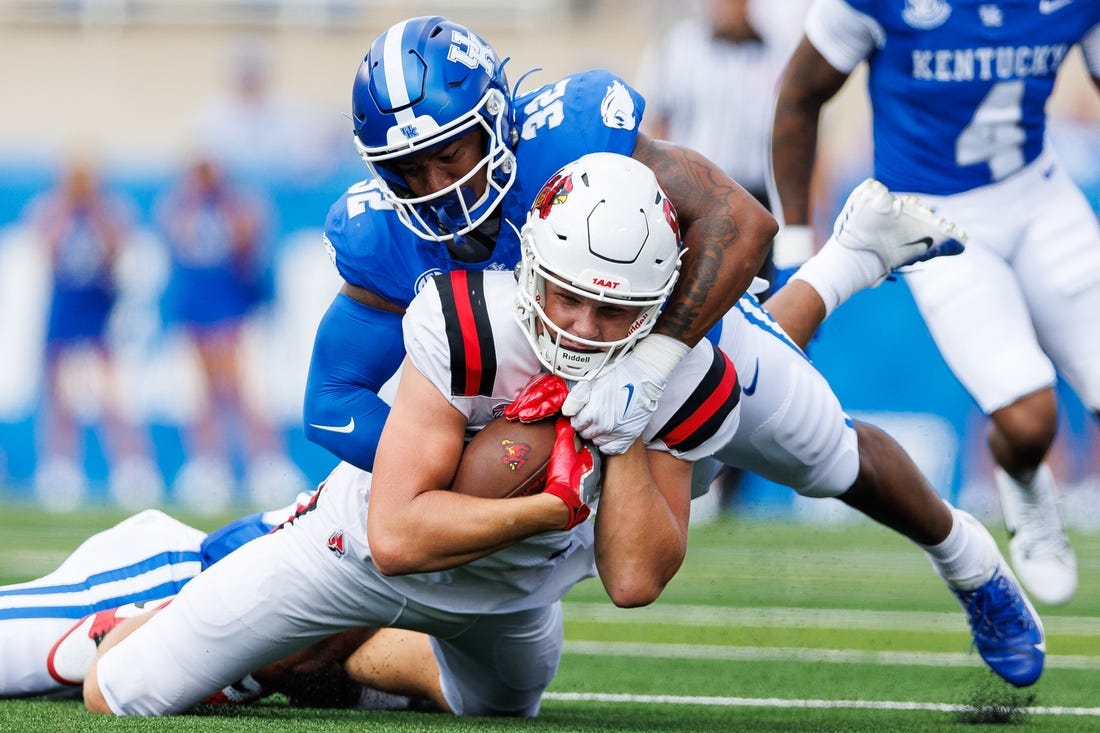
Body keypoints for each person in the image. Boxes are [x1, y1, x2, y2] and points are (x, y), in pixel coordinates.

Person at [82, 153, 745, 716]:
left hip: (512, 596)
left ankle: (299, 661)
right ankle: (163, 602)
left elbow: (633, 579)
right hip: (358, 554)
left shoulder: (686, 375)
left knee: (498, 708)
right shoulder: (466, 319)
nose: (582, 326)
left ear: (659, 304)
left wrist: (624, 432)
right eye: (566, 295)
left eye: (613, 309)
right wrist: (548, 509)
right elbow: (395, 536)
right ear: (531, 264)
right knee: (115, 690)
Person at [301, 15, 777, 473]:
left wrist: (652, 366)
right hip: (549, 432)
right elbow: (333, 399)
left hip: (682, 365)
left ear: (495, 119)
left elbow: (741, 221)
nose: (435, 186)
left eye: (449, 155)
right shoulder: (382, 234)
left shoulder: (569, 141)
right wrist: (463, 472)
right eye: (407, 168)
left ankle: (836, 270)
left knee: (828, 451)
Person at [769, 0, 1100, 606]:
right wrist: (793, 242)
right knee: (1029, 423)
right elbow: (798, 96)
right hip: (934, 216)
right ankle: (1024, 479)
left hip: (1039, 194)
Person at [636, 0, 811, 511]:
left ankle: (723, 487)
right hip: (692, 209)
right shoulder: (675, 50)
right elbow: (655, 133)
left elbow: (797, 139)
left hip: (760, 209)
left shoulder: (781, 53)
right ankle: (680, 467)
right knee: (682, 334)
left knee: (756, 341)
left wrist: (805, 224)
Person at [154, 154, 307, 508]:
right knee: (204, 393)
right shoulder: (183, 208)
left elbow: (251, 240)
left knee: (247, 391)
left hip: (235, 309)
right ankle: (211, 465)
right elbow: (175, 236)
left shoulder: (238, 206)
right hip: (197, 310)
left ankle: (266, 464)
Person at [25, 156, 163, 509]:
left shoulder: (109, 210)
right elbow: (45, 245)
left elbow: (117, 247)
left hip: (97, 308)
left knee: (109, 391)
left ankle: (132, 466)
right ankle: (59, 466)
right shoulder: (54, 209)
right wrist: (69, 207)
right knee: (58, 391)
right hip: (65, 306)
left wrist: (94, 209)